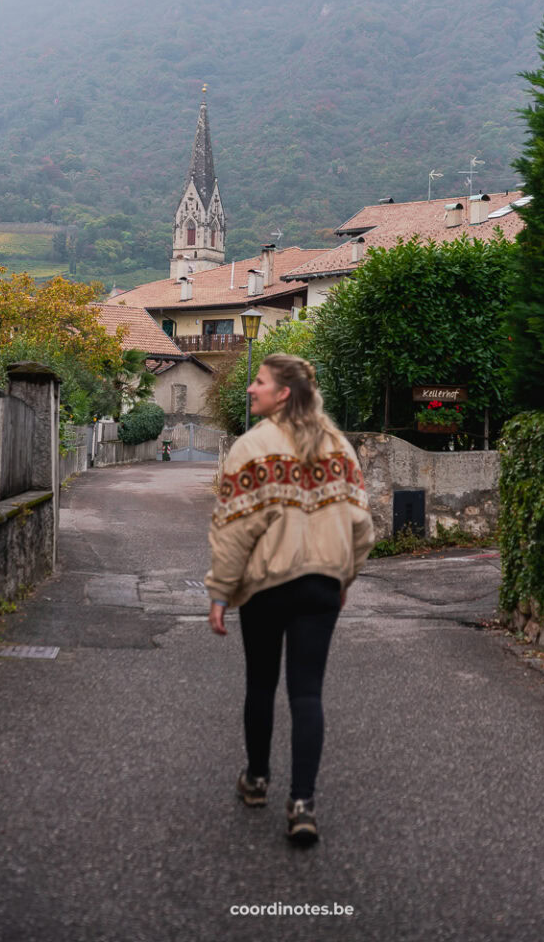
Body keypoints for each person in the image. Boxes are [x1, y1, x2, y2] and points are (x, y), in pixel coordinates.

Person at [205, 353, 374, 846]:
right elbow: (361, 525)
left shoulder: (251, 448)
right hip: (322, 584)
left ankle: (257, 780)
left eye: (259, 382)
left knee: (260, 683)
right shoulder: (339, 448)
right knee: (307, 692)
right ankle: (303, 803)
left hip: (265, 586)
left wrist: (220, 591)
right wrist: (344, 578)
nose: (250, 389)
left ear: (283, 393)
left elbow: (234, 529)